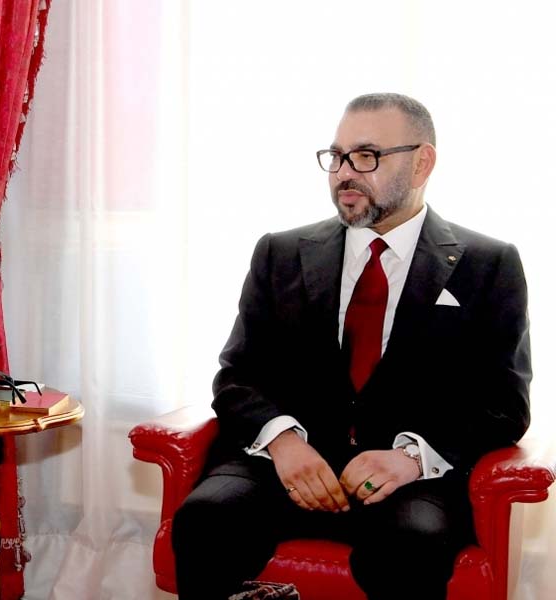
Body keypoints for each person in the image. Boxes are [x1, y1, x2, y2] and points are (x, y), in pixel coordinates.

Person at [171, 93, 531, 600]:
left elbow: (504, 405)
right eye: (336, 157)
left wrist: (410, 457)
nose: (344, 173)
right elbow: (236, 376)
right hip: (284, 465)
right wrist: (284, 443)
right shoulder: (280, 252)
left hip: (410, 482)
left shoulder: (488, 264)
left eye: (366, 156)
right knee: (207, 517)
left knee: (412, 544)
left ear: (422, 162)